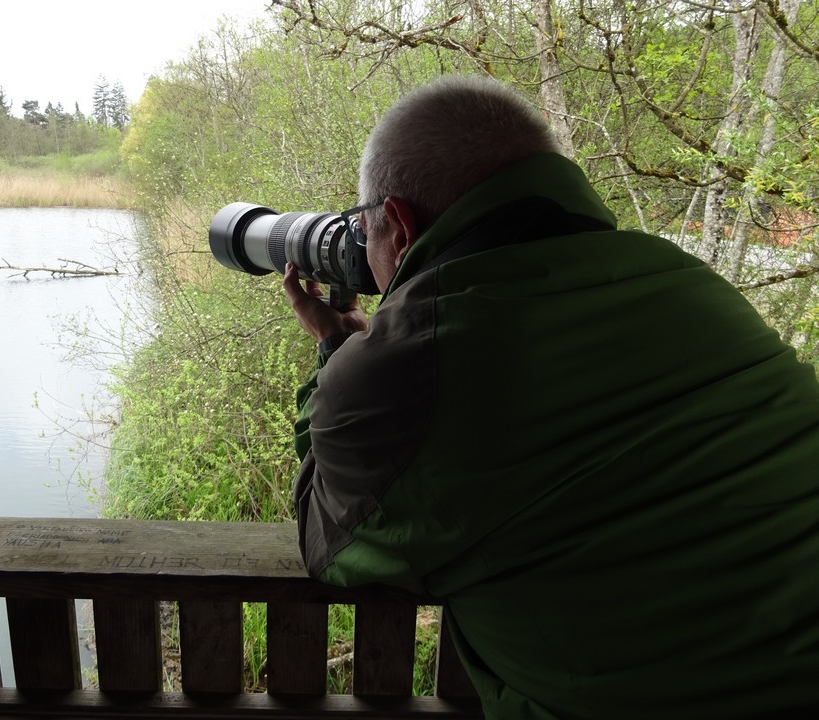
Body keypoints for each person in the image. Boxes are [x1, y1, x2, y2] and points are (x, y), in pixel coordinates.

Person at [281, 74, 819, 719]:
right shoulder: (689, 281)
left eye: (363, 229)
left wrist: (336, 351)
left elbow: (330, 541)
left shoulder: (411, 361)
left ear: (397, 224)